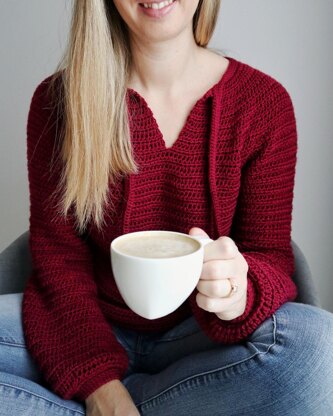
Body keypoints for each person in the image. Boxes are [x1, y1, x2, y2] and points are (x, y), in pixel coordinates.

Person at [0, 0, 333, 415]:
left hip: (202, 337)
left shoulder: (263, 104)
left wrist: (237, 293)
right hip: (87, 325)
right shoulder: (59, 102)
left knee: (319, 350)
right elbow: (58, 261)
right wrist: (102, 389)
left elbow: (271, 257)